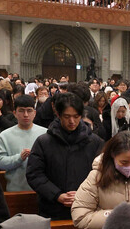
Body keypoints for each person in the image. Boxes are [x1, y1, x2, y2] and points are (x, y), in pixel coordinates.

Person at [25, 91, 105, 220]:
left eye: (76, 116)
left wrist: (82, 195)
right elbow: (34, 174)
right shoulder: (44, 142)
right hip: (52, 208)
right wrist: (57, 195)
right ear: (58, 114)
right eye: (67, 116)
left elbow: (103, 174)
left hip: (87, 207)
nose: (72, 121)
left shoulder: (95, 142)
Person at [0, 95, 47, 192]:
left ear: (35, 113)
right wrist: (19, 158)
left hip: (42, 190)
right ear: (14, 113)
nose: (26, 115)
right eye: (21, 111)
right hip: (15, 190)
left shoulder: (45, 134)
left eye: (29, 110)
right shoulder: (5, 135)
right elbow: (0, 163)